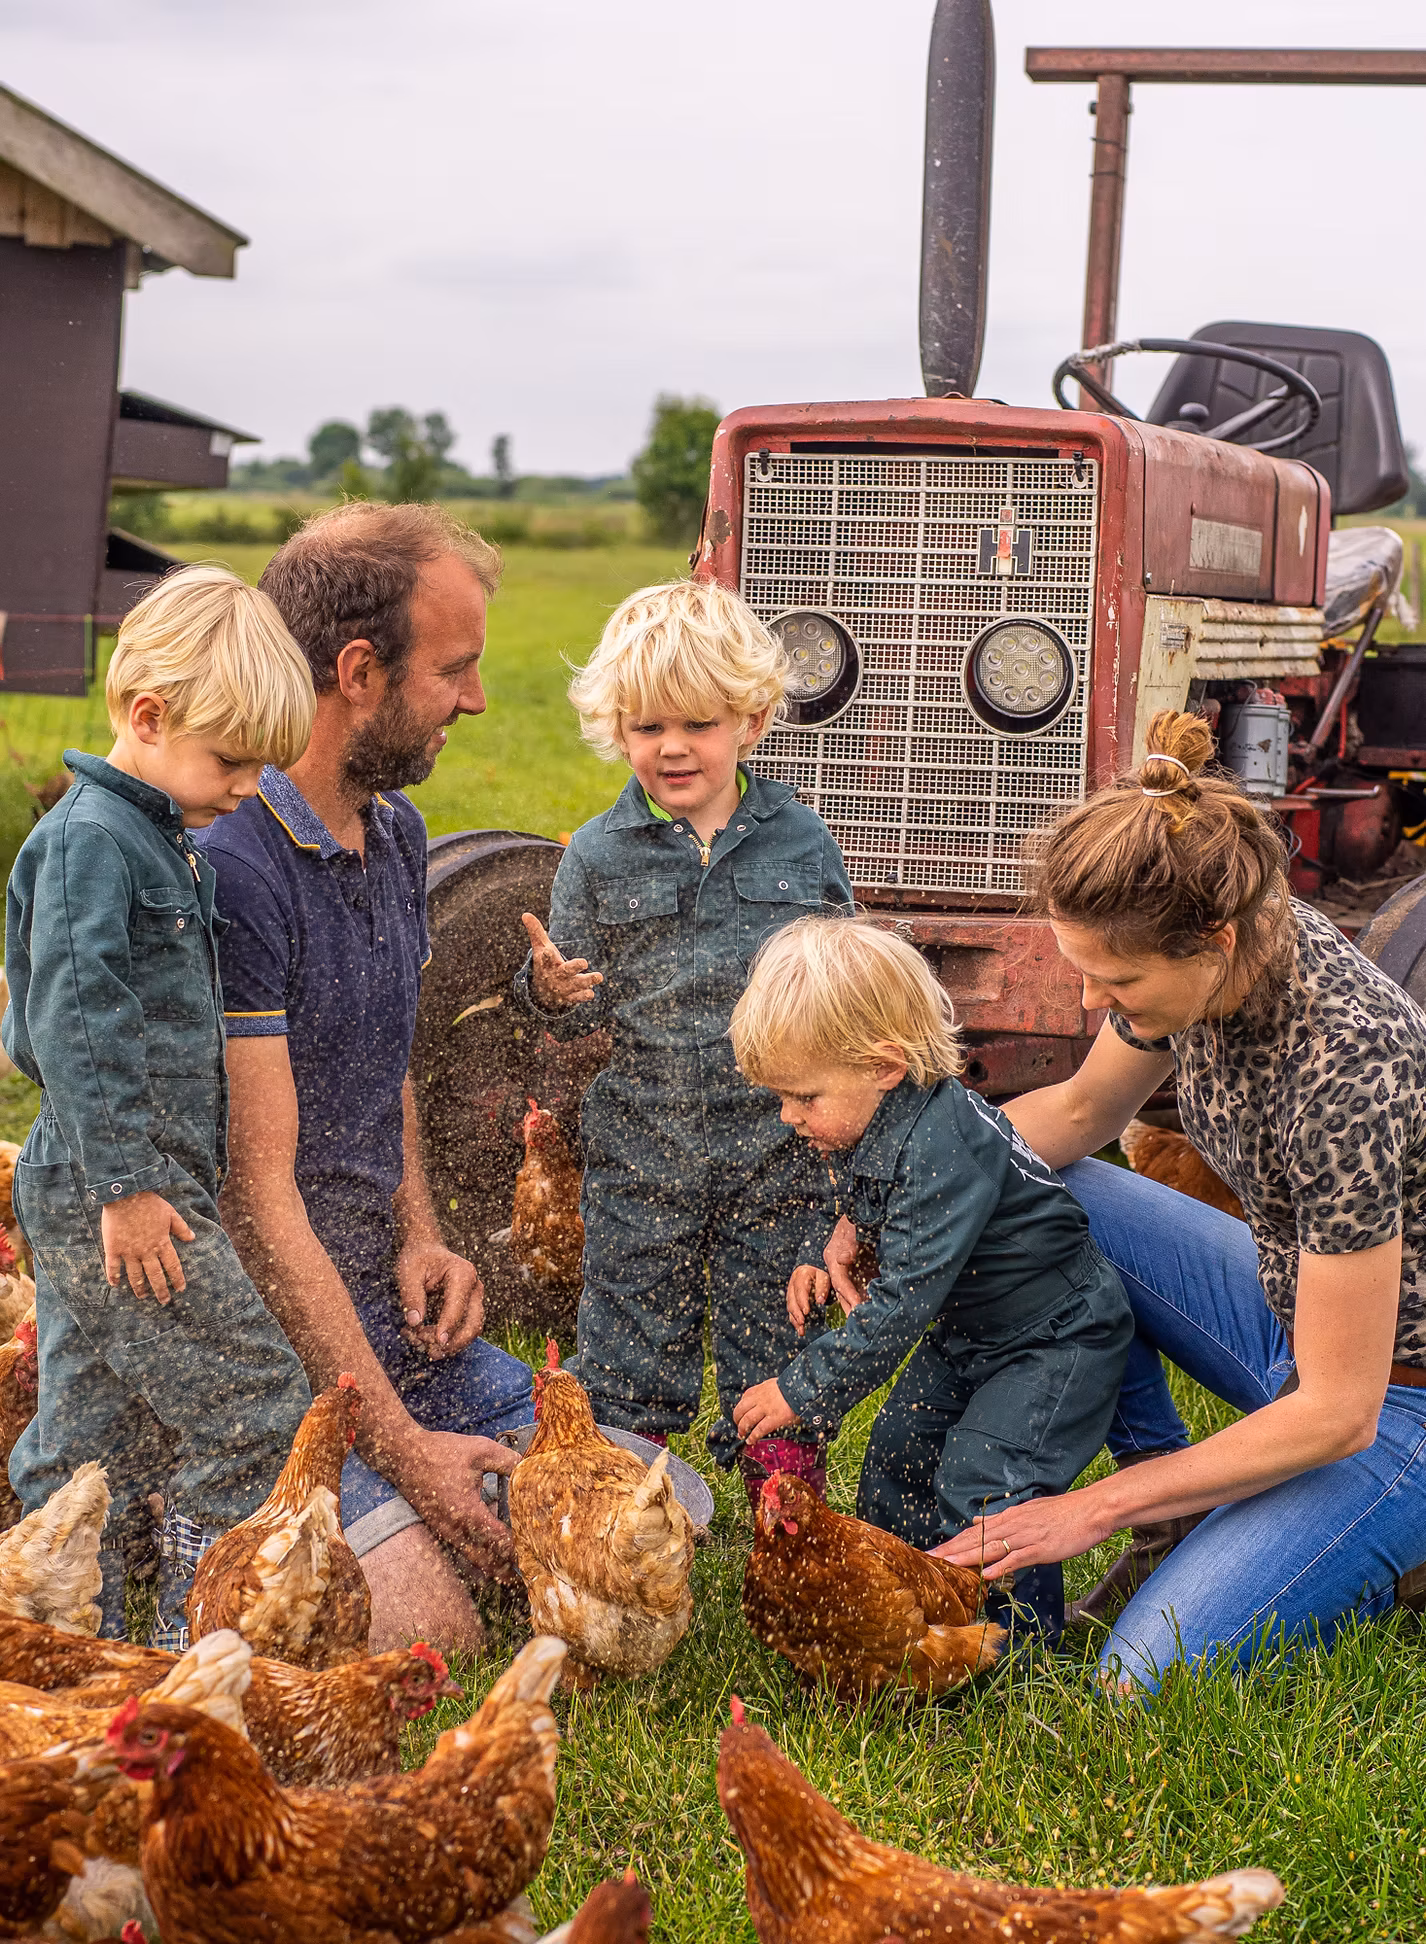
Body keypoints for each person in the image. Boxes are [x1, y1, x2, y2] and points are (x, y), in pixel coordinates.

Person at [929, 709, 1426, 1691]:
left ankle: (1373, 1537)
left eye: (1114, 981)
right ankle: (1181, 1494)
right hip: (1295, 1314)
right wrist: (899, 1195)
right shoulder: (1219, 960)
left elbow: (1338, 1411)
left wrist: (1093, 1510)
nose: (1090, 1005)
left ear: (1216, 941)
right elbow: (1074, 1114)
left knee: (1138, 1676)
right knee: (1031, 1189)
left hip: (1391, 1398)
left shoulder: (1352, 1063)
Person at [202, 503, 531, 1654]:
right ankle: (167, 1548)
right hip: (267, 1360)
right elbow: (255, 1199)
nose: (477, 700)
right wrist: (405, 1457)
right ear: (357, 672)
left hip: (378, 1332)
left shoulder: (393, 837)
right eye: (455, 670)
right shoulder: (234, 867)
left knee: (651, 1519)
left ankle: (397, 1513)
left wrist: (421, 1234)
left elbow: (381, 1062)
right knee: (434, 1646)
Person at [4, 567, 316, 1643]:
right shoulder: (98, 841)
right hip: (120, 1184)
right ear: (148, 715)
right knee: (254, 1402)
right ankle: (202, 1642)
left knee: (90, 1433)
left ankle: (59, 1643)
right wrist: (126, 1186)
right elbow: (74, 1018)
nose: (244, 787)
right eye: (231, 760)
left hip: (122, 1175)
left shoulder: (154, 836)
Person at [515, 580, 853, 1501]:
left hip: (775, 1149)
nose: (671, 748)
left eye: (698, 724)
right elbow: (572, 1011)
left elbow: (843, 989)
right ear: (615, 728)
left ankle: (788, 1520)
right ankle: (623, 1511)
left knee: (775, 1337)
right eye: (647, 726)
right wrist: (549, 991)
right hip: (643, 1147)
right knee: (629, 1339)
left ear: (751, 720)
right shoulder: (594, 854)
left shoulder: (804, 843)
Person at [729, 916, 1133, 1640]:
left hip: (1054, 1338)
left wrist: (800, 1388)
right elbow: (856, 1190)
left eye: (803, 1098)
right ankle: (905, 1616)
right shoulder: (879, 1109)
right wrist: (819, 1248)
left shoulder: (944, 1143)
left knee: (987, 1483)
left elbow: (897, 1310)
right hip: (973, 1330)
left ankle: (1021, 1651)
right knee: (897, 1455)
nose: (790, 1117)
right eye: (780, 1099)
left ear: (884, 1065)